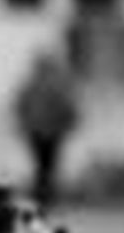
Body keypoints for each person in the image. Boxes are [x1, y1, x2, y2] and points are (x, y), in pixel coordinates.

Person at [12, 49, 81, 211]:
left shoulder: (35, 83)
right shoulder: (55, 84)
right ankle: (44, 198)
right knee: (46, 166)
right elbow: (68, 107)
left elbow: (20, 105)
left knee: (43, 166)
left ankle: (43, 197)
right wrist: (69, 124)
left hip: (42, 132)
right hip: (47, 132)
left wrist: (23, 123)